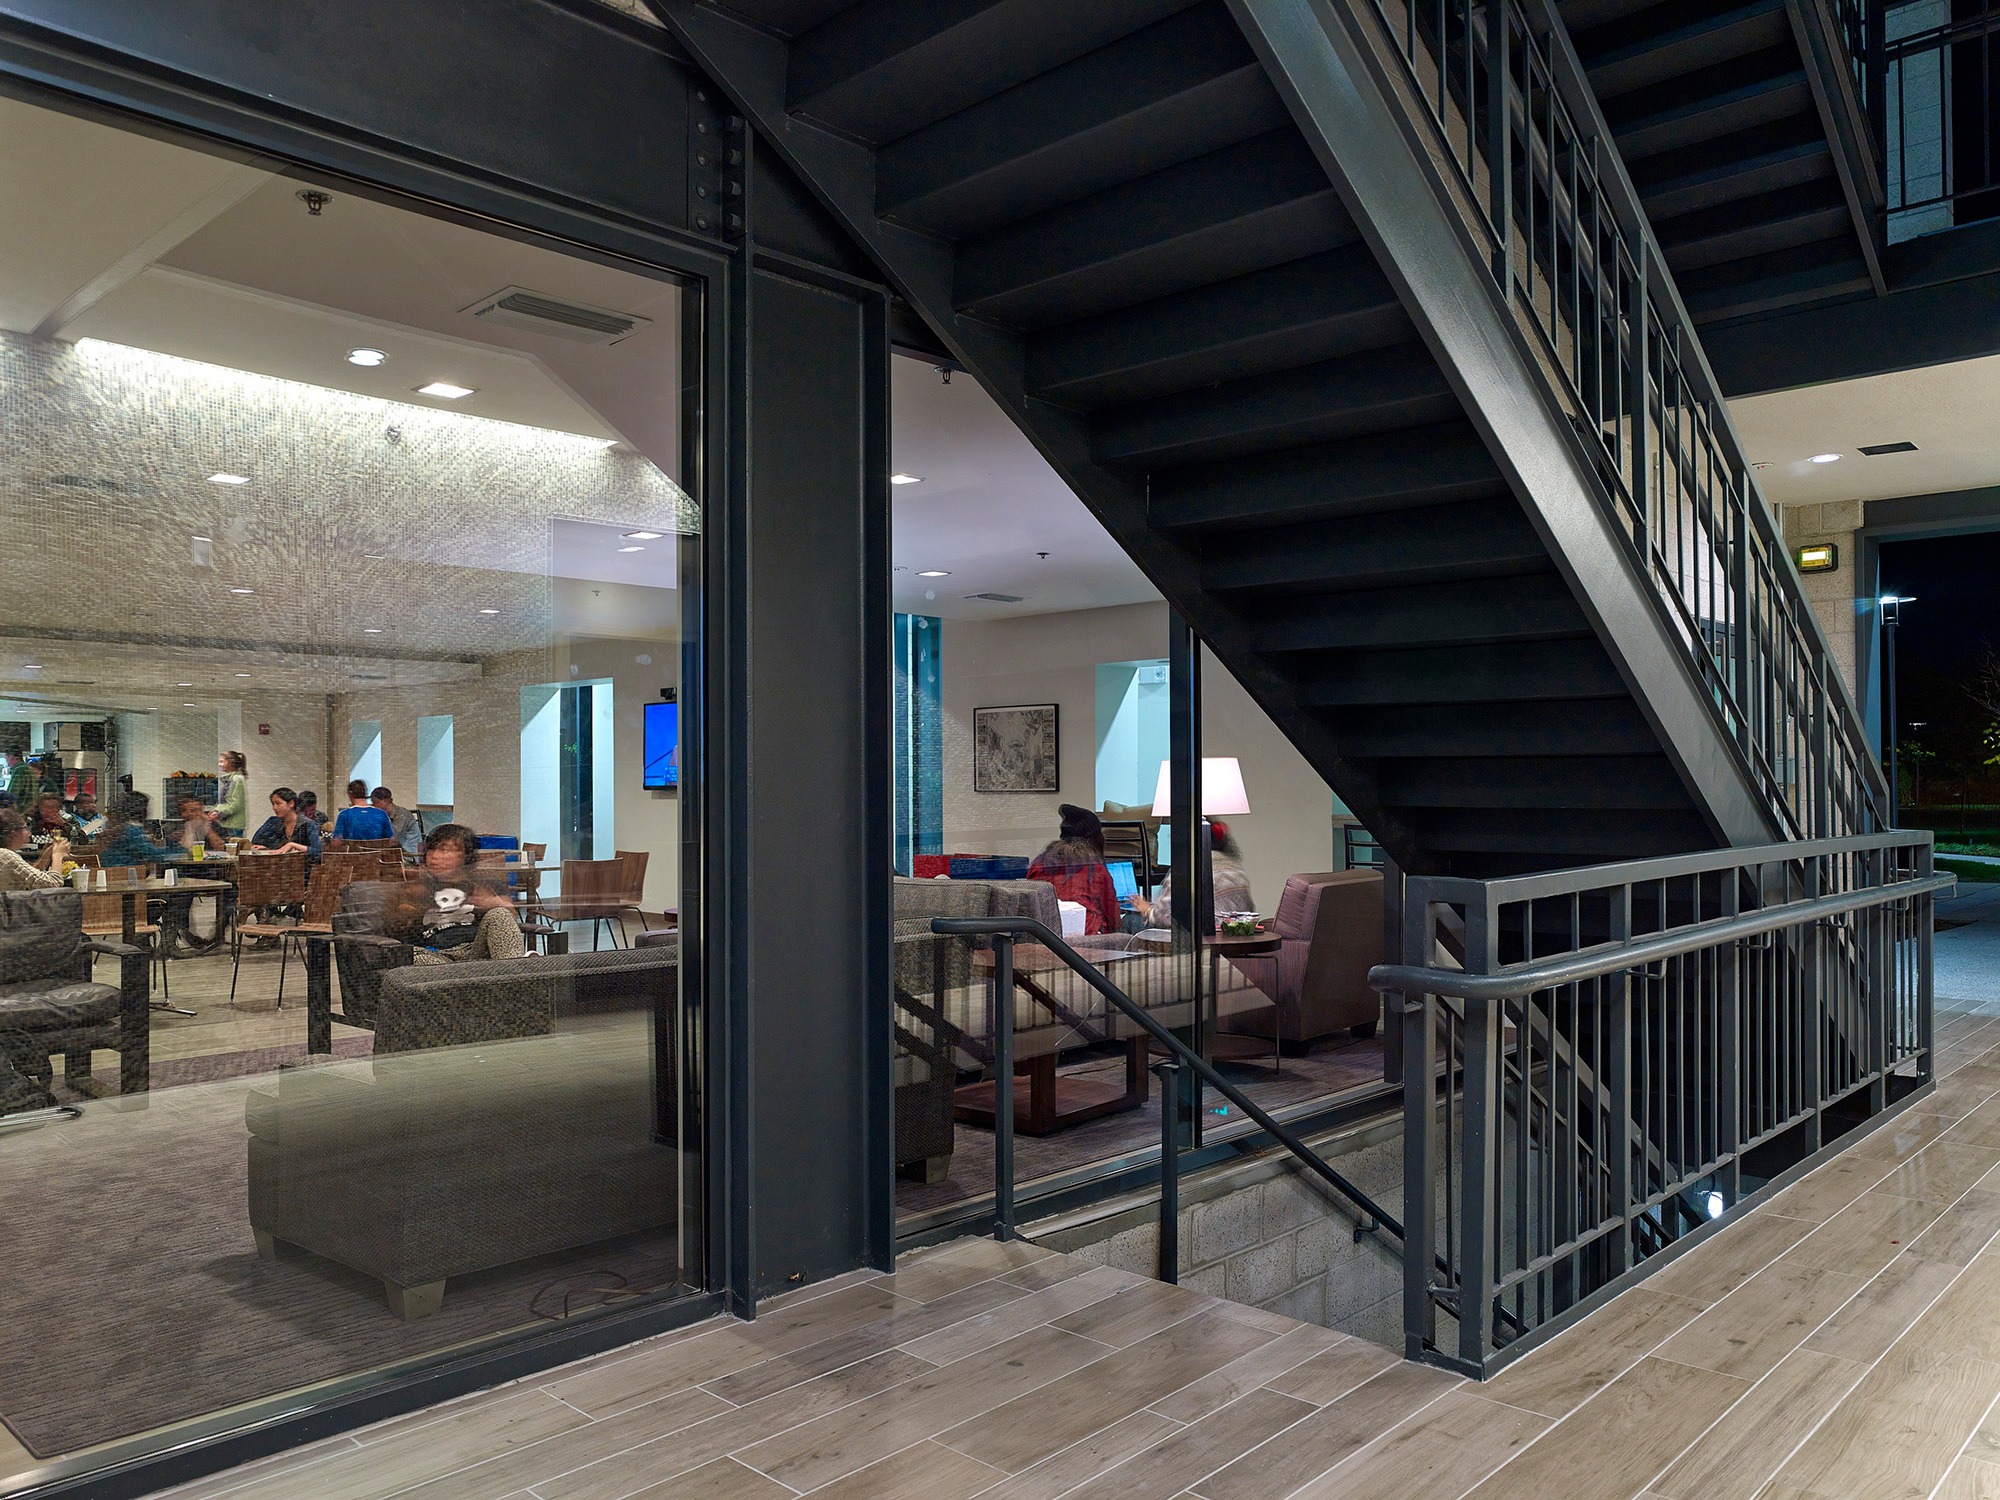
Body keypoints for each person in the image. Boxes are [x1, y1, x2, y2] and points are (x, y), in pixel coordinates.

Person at [399, 823, 524, 963]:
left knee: (500, 914)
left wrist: (488, 902)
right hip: (437, 955)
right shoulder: (420, 885)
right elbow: (400, 928)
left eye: (444, 850)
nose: (434, 856)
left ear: (466, 855)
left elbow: (510, 917)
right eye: (431, 849)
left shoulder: (483, 882)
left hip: (477, 950)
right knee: (412, 957)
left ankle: (513, 970)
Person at [1132, 820, 1255, 929]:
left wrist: (1146, 910)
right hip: (1234, 934)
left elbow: (1165, 918)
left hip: (1202, 939)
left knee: (1130, 920)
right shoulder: (1234, 866)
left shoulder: (1186, 868)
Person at [1025, 804, 1123, 936]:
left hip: (1045, 936)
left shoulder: (1041, 862)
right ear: (1094, 838)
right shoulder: (1094, 868)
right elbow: (1112, 917)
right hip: (1087, 937)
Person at [98, 792, 177, 867]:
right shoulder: (130, 831)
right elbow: (153, 855)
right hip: (124, 872)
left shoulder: (116, 825)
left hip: (111, 871)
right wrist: (176, 845)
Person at [250, 787, 322, 863]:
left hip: (300, 867)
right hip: (279, 866)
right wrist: (267, 850)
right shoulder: (273, 822)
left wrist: (293, 845)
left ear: (291, 803)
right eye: (273, 804)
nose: (274, 808)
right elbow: (256, 840)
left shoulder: (307, 824)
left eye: (278, 804)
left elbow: (317, 852)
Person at [0, 809, 65, 891]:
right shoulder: (5, 855)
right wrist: (58, 855)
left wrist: (46, 857)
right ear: (13, 834)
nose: (29, 833)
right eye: (25, 828)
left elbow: (27, 876)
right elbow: (52, 884)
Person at [371, 786, 423, 857]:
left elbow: (392, 839)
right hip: (397, 852)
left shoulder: (402, 814)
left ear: (386, 800)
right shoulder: (383, 815)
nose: (373, 806)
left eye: (375, 803)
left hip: (410, 855)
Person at [23, 792, 70, 868]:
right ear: (38, 808)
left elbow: (81, 839)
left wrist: (64, 825)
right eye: (46, 807)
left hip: (63, 859)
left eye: (53, 807)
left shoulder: (67, 819)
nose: (49, 811)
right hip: (33, 859)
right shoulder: (29, 820)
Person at [210, 751, 247, 837]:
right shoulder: (230, 780)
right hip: (228, 823)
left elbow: (236, 804)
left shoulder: (237, 779)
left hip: (234, 825)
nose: (219, 764)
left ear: (230, 762)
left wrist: (219, 814)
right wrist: (216, 810)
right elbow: (226, 802)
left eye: (222, 761)